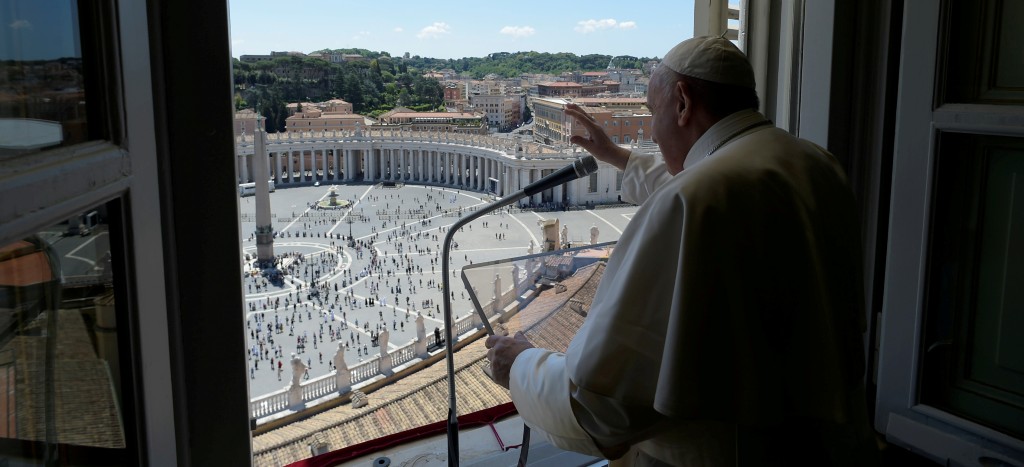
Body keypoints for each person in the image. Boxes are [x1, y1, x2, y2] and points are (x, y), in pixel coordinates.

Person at [485, 36, 878, 466]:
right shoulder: (816, 163)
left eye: (653, 113)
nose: (651, 128)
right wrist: (615, 154)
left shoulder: (691, 200)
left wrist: (520, 366)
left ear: (684, 103)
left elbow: (600, 406)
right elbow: (713, 183)